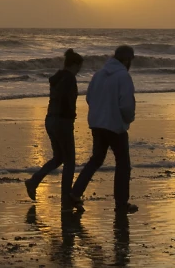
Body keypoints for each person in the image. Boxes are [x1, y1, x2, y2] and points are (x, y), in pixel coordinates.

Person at [69, 45, 138, 214]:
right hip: (115, 127)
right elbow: (127, 105)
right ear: (127, 60)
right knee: (123, 164)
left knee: (96, 160)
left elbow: (89, 98)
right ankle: (121, 203)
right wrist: (128, 119)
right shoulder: (123, 77)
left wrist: (98, 114)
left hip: (97, 124)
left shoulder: (98, 75)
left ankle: (75, 193)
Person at [25, 48, 84, 208]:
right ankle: (66, 197)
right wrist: (71, 116)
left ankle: (34, 181)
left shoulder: (57, 78)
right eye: (79, 67)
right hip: (62, 122)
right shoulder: (69, 78)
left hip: (50, 119)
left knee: (59, 158)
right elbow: (66, 100)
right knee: (69, 161)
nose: (79, 71)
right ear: (74, 65)